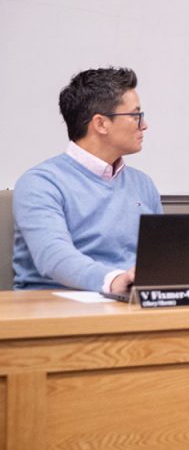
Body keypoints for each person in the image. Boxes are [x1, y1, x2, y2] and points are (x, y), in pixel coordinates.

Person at [12, 67, 162, 293]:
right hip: (56, 306)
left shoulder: (143, 184)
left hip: (131, 301)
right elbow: (53, 256)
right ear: (101, 124)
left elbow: (161, 256)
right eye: (135, 115)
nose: (144, 125)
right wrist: (114, 280)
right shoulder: (40, 183)